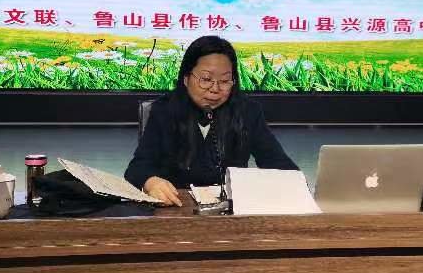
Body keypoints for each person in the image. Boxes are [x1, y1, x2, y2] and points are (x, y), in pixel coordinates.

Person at [124, 35, 299, 206]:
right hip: (176, 207)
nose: (215, 89)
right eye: (206, 79)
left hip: (229, 210)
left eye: (224, 81)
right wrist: (150, 182)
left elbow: (279, 164)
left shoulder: (247, 111)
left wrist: (294, 184)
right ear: (186, 78)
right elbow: (137, 168)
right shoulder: (164, 110)